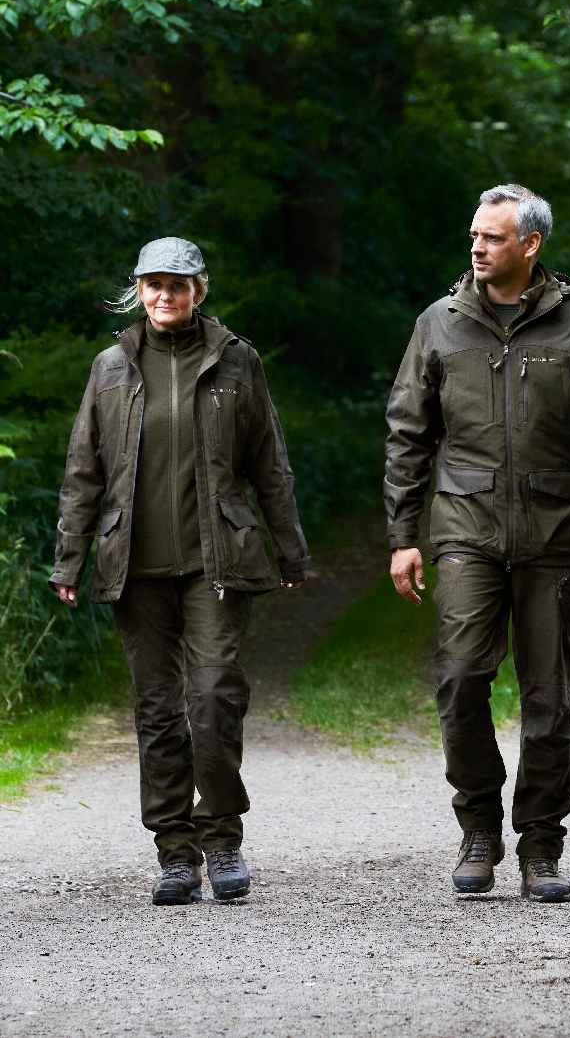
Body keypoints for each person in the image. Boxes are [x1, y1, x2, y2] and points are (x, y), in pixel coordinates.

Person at [385, 184, 570, 903]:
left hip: (555, 535)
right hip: (465, 530)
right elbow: (408, 435)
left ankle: (540, 844)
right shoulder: (439, 324)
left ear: (530, 245)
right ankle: (478, 826)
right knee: (461, 679)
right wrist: (403, 536)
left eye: (493, 237)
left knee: (548, 694)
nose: (477, 247)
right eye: (474, 235)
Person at [51, 237, 309, 906]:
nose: (164, 295)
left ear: (199, 290)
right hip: (134, 568)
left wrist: (289, 549)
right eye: (153, 284)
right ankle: (174, 852)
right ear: (138, 290)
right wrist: (70, 556)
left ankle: (221, 838)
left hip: (214, 561)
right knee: (159, 710)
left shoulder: (236, 361)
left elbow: (269, 462)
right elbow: (84, 469)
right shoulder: (111, 367)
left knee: (215, 696)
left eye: (177, 284)